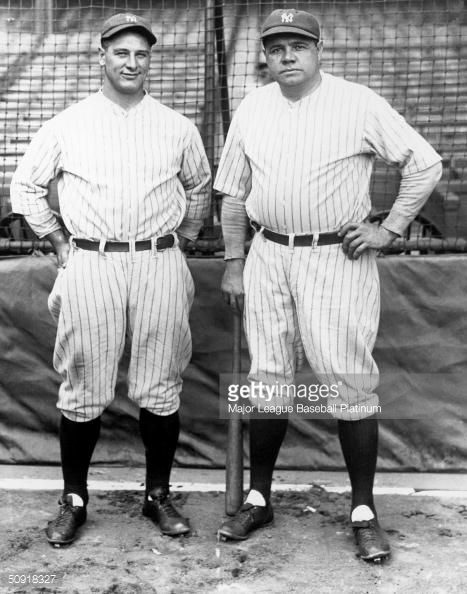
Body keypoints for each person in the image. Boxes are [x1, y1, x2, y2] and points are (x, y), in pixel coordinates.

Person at [214, 8, 442, 562]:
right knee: (267, 381)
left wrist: (387, 229)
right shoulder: (253, 105)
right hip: (269, 253)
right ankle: (259, 497)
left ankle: (363, 510)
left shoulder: (358, 102)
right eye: (275, 47)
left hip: (334, 255)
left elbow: (425, 163)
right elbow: (234, 194)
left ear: (320, 50)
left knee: (348, 380)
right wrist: (233, 259)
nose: (286, 56)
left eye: (298, 45)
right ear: (264, 55)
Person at [10, 12, 211, 546]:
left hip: (158, 260)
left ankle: (157, 496)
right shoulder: (67, 123)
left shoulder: (176, 125)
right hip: (92, 259)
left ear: (150, 60)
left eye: (141, 53)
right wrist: (57, 241)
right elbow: (26, 187)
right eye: (120, 52)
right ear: (100, 57)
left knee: (161, 384)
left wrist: (183, 242)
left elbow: (201, 187)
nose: (131, 62)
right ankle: (74, 499)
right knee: (83, 387)